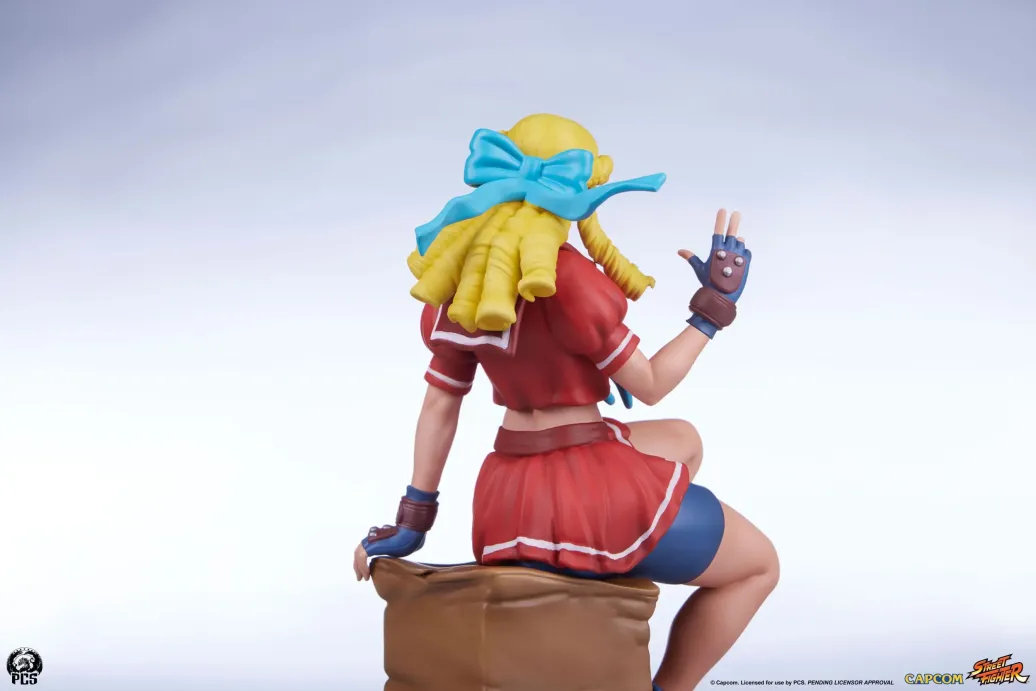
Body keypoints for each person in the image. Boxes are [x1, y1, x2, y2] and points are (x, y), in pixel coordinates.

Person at [352, 113, 779, 690]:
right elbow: (652, 383)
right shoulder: (568, 277)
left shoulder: (458, 279)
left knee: (683, 439)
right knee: (758, 565)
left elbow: (439, 408)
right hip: (582, 490)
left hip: (506, 494)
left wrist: (414, 518)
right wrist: (712, 309)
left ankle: (595, 595)